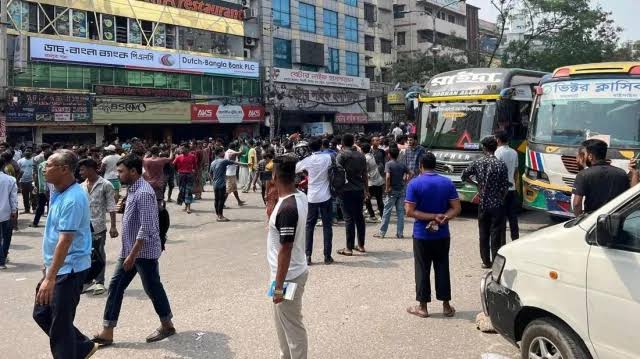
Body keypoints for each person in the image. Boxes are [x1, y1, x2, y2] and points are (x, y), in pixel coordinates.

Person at [93, 155, 175, 346]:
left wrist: (132, 255)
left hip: (142, 252)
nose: (118, 174)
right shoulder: (132, 189)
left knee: (152, 288)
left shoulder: (143, 192)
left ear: (133, 171)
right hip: (130, 250)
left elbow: (146, 227)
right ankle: (107, 331)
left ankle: (167, 324)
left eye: (121, 171)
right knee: (116, 287)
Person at [32, 150, 99, 358]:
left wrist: (50, 278)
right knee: (42, 313)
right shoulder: (58, 190)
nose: (44, 168)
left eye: (49, 165)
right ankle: (82, 347)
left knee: (60, 326)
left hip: (69, 269)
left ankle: (73, 350)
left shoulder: (73, 198)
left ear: (64, 169)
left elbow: (65, 240)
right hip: (58, 266)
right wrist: (48, 267)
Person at [404, 153, 461, 318]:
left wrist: (432, 217)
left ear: (421, 165)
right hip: (442, 234)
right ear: (435, 165)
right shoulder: (447, 182)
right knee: (442, 267)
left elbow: (409, 211)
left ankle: (423, 307)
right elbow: (456, 208)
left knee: (422, 268)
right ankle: (446, 305)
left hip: (422, 234)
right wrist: (444, 217)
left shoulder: (414, 184)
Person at [267, 154, 309, 359]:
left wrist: (278, 286)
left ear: (274, 175)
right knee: (281, 321)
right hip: (286, 273)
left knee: (292, 325)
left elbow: (286, 248)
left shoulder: (288, 208)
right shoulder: (298, 196)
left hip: (288, 276)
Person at [461, 136, 509, 268]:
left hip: (482, 203)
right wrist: (501, 198)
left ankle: (485, 261)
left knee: (483, 233)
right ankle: (495, 262)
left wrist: (477, 184)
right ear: (495, 148)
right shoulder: (500, 164)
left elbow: (464, 176)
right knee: (496, 234)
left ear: (484, 148)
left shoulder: (478, 163)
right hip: (496, 204)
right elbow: (505, 187)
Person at [79, 158, 118, 295]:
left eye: (83, 169)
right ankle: (87, 281)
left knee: (98, 254)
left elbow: (111, 206)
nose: (80, 172)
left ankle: (100, 282)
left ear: (91, 169)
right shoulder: (81, 186)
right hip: (83, 227)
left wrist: (113, 226)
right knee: (84, 254)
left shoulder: (105, 184)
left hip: (98, 225)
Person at [295, 137, 333, 265]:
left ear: (309, 148)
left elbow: (296, 169)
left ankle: (308, 256)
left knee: (309, 226)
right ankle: (327, 256)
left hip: (312, 197)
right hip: (326, 195)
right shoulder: (327, 157)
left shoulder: (308, 160)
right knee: (327, 226)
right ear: (321, 146)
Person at [573, 139, 632, 216]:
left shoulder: (583, 174)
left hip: (592, 221)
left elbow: (576, 204)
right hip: (615, 219)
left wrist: (580, 221)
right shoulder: (621, 173)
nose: (583, 157)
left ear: (590, 156)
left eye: (584, 154)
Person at [336, 134, 369, 256]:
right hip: (359, 189)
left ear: (343, 143)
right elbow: (365, 174)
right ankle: (361, 245)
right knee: (359, 217)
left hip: (345, 190)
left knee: (348, 218)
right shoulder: (361, 156)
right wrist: (366, 190)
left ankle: (348, 248)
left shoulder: (341, 155)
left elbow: (337, 173)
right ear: (353, 142)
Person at [374, 147, 410, 239]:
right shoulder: (402, 164)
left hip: (392, 191)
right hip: (401, 190)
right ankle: (400, 233)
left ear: (389, 154)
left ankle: (382, 232)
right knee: (400, 213)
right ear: (398, 154)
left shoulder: (388, 164)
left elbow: (388, 177)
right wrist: (405, 180)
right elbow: (411, 172)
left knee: (387, 212)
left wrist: (387, 188)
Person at [494, 131, 519, 241]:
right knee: (513, 217)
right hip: (512, 188)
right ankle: (516, 240)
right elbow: (516, 171)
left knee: (501, 217)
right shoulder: (514, 152)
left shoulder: (497, 153)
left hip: (501, 190)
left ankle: (502, 242)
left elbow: (496, 172)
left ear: (498, 140)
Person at [210, 148, 246, 222]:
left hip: (215, 184)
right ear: (219, 153)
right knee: (221, 200)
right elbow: (235, 163)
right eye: (223, 151)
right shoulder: (223, 161)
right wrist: (246, 164)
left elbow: (210, 173)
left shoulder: (213, 162)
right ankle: (220, 216)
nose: (224, 153)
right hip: (221, 184)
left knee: (216, 199)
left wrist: (212, 181)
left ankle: (218, 215)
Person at [0, 156, 18, 269]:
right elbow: (13, 197)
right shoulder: (10, 179)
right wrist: (14, 210)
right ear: (3, 166)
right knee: (7, 236)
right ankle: (3, 256)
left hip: (6, 212)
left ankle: (1, 261)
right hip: (6, 212)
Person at [362, 143, 384, 222]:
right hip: (378, 180)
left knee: (367, 199)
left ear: (362, 150)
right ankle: (382, 216)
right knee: (379, 200)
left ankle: (372, 216)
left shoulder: (365, 158)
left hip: (371, 182)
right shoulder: (372, 156)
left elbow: (365, 171)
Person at [173, 144, 197, 214]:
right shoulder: (178, 157)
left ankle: (188, 207)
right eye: (180, 148)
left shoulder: (192, 156)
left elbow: (195, 167)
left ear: (187, 149)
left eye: (182, 148)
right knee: (182, 191)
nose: (181, 150)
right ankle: (186, 206)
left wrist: (195, 174)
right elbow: (172, 164)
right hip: (181, 176)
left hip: (189, 175)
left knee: (188, 191)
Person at [225, 142, 246, 207]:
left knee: (234, 188)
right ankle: (222, 203)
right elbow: (240, 153)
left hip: (230, 172)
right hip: (230, 173)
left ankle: (239, 201)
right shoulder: (231, 152)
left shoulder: (227, 151)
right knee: (228, 190)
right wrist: (241, 150)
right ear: (234, 147)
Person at [17, 147, 34, 214]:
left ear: (31, 152)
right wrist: (18, 180)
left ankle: (34, 208)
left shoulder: (33, 160)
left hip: (32, 181)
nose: (28, 152)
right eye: (26, 151)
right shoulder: (20, 161)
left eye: (29, 151)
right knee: (25, 196)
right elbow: (18, 171)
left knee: (33, 195)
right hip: (23, 181)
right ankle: (27, 209)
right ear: (24, 152)